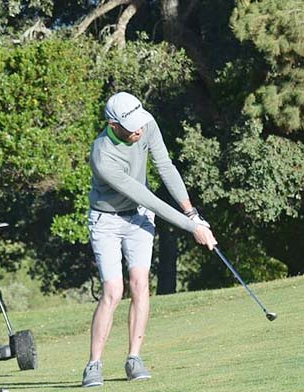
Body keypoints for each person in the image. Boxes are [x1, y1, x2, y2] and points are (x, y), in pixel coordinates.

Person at [82, 92, 217, 387]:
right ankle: (94, 364)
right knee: (113, 291)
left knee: (141, 284)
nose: (139, 131)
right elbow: (147, 196)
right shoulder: (102, 155)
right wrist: (190, 227)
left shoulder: (145, 123)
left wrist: (192, 213)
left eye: (139, 123)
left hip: (139, 217)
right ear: (113, 124)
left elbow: (165, 166)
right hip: (106, 221)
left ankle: (134, 358)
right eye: (131, 127)